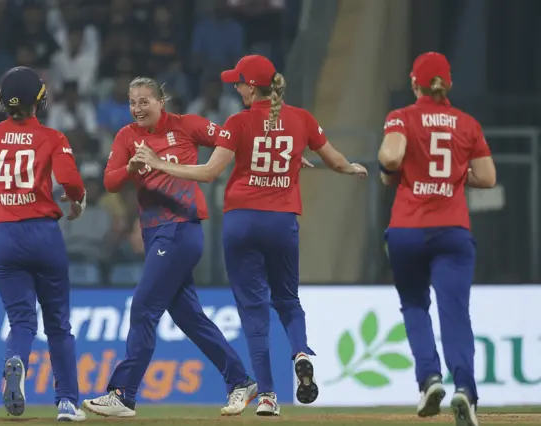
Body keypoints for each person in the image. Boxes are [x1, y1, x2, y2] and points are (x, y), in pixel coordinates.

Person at [132, 54, 368, 416]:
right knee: (288, 301)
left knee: (254, 312)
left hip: (242, 222)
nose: (236, 87)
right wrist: (351, 168)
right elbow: (335, 160)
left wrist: (160, 163)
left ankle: (269, 396)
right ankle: (301, 352)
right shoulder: (301, 119)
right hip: (282, 221)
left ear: (252, 87)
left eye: (239, 82)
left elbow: (210, 172)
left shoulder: (238, 122)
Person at [82, 77, 255, 418]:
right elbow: (109, 182)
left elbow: (233, 139)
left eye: (144, 101)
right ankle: (240, 381)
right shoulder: (126, 136)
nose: (137, 108)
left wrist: (278, 156)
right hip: (154, 234)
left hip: (181, 229)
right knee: (190, 318)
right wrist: (130, 167)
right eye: (133, 102)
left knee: (144, 307)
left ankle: (122, 393)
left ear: (162, 101)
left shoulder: (187, 126)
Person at [0, 66, 88, 422]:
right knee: (58, 324)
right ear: (39, 100)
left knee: (21, 322)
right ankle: (66, 403)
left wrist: (2, 190)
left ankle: (15, 362)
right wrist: (76, 199)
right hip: (43, 235)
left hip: (3, 236)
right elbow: (72, 181)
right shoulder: (52, 137)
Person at [378, 52, 496, 426]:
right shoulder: (468, 124)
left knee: (414, 305)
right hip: (452, 229)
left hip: (408, 230)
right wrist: (453, 177)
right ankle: (465, 389)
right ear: (448, 84)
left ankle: (429, 378)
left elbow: (392, 159)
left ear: (415, 83)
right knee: (455, 313)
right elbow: (488, 177)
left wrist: (388, 165)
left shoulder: (401, 117)